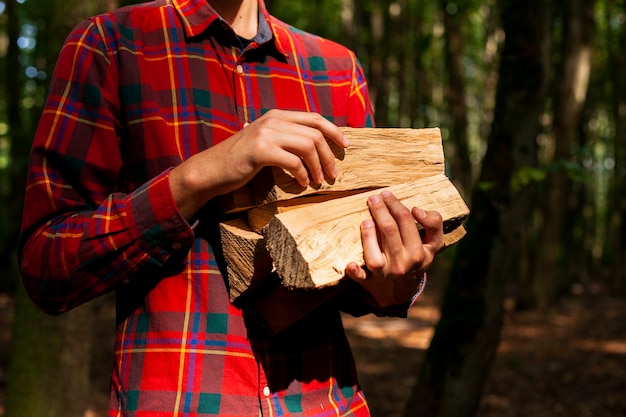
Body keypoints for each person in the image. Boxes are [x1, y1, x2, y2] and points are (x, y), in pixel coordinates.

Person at [18, 0, 444, 415]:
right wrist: (197, 178)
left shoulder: (336, 69)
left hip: (325, 404)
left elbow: (364, 285)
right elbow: (47, 266)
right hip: (178, 402)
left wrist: (398, 280)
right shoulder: (113, 45)